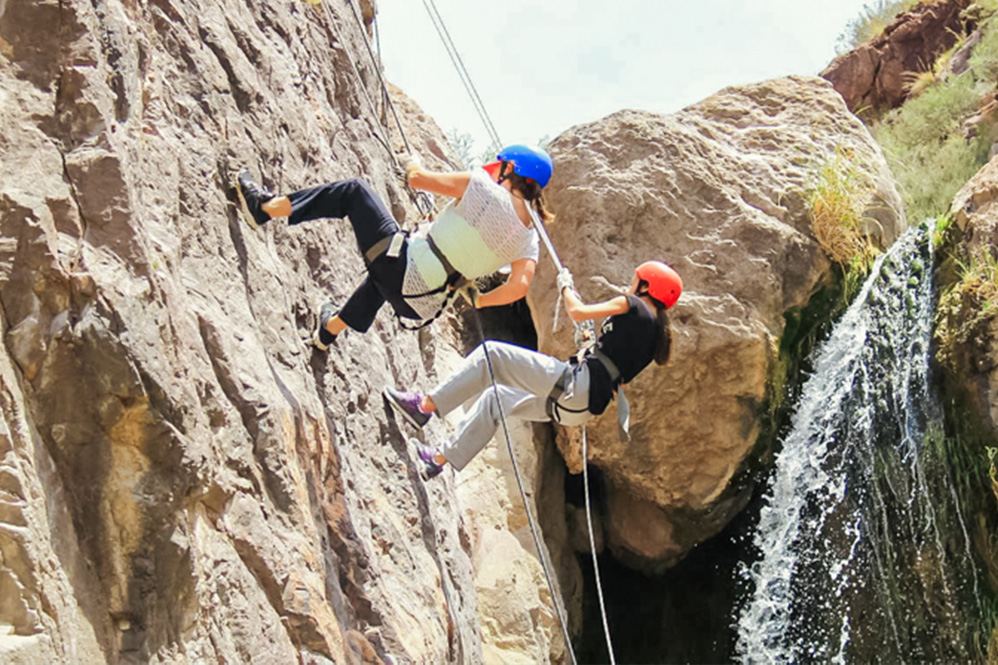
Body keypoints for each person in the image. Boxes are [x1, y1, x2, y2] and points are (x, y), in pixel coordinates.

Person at [234, 145, 555, 349]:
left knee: (353, 192)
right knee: (384, 276)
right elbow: (518, 287)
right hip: (420, 304)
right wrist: (480, 301)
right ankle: (328, 332)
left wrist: (412, 162)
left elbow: (417, 179)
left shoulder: (482, 186)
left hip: (403, 269)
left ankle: (264, 209)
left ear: (510, 169)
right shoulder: (529, 237)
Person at [383, 260, 683, 479]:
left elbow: (577, 311)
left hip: (575, 386)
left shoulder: (631, 304)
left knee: (493, 354)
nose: (630, 284)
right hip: (582, 409)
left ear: (646, 287)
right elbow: (617, 372)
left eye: (635, 280)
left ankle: (423, 406)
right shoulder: (655, 337)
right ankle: (436, 460)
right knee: (495, 400)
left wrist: (566, 287)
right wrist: (590, 348)